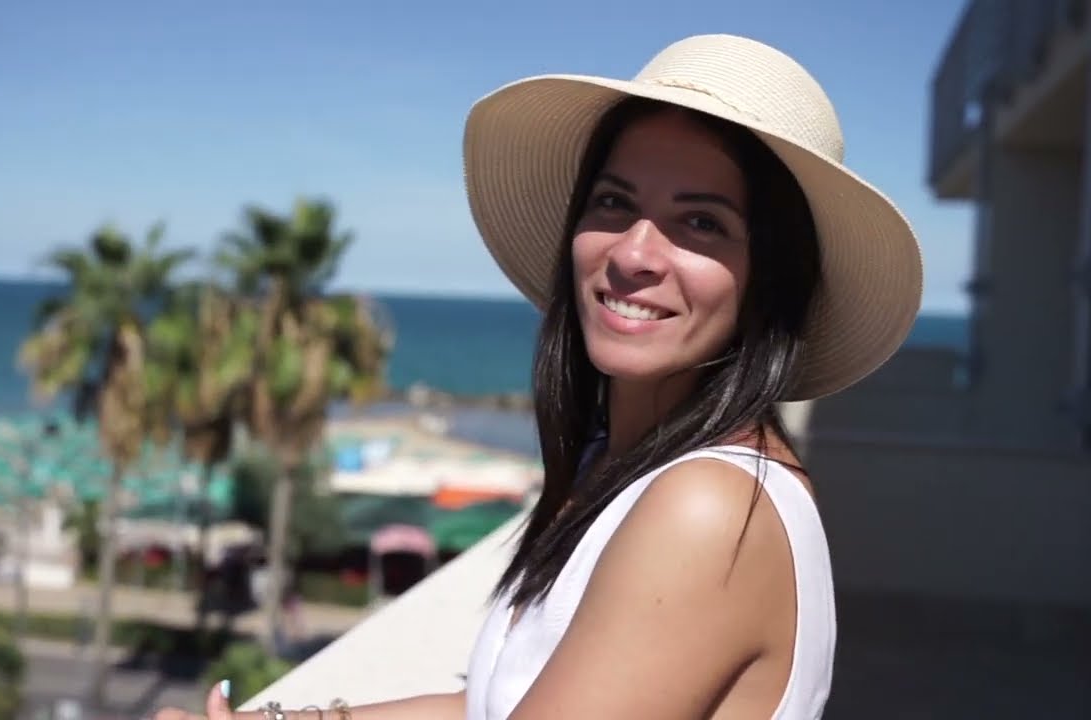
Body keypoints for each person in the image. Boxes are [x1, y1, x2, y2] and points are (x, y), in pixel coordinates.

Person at [154, 32, 921, 720]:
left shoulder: (710, 507)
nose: (633, 254)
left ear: (769, 283)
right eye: (614, 203)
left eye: (701, 223)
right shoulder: (622, 466)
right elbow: (497, 703)